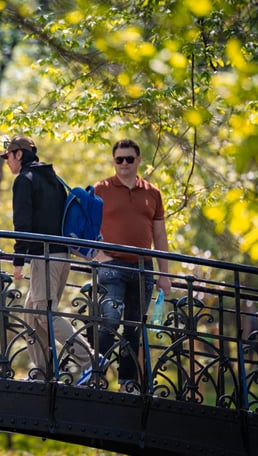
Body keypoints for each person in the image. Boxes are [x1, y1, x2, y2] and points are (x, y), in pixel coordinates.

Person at [0, 135, 95, 382]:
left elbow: (22, 224)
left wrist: (18, 259)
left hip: (45, 257)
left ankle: (91, 360)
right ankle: (43, 372)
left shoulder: (24, 180)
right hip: (61, 257)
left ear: (19, 154)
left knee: (43, 313)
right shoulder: (53, 180)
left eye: (8, 156)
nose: (7, 161)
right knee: (32, 314)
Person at [90, 138, 171, 392]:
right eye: (118, 159)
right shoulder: (100, 189)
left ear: (138, 160)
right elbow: (84, 228)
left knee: (134, 327)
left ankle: (127, 383)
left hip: (143, 269)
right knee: (110, 320)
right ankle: (93, 374)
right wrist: (97, 255)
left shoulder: (153, 193)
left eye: (129, 159)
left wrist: (164, 274)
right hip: (111, 267)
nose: (123, 163)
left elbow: (160, 236)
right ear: (113, 161)